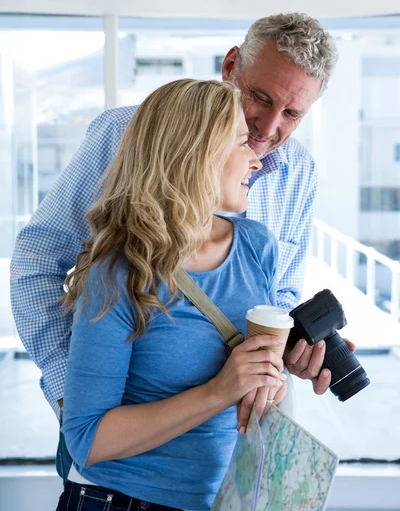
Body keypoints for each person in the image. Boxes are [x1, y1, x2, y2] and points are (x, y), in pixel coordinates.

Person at [11, 12, 353, 425]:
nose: (268, 126)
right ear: (230, 67)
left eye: (292, 113)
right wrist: (76, 396)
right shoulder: (123, 136)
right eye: (261, 98)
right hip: (127, 427)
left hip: (233, 438)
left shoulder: (298, 172)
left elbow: (276, 297)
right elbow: (37, 262)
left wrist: (289, 351)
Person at [56, 79, 287, 511]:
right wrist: (219, 391)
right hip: (122, 501)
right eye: (242, 142)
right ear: (196, 155)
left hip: (224, 500)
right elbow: (86, 438)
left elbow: (250, 365)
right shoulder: (119, 273)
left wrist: (276, 373)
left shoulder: (258, 247)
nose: (256, 160)